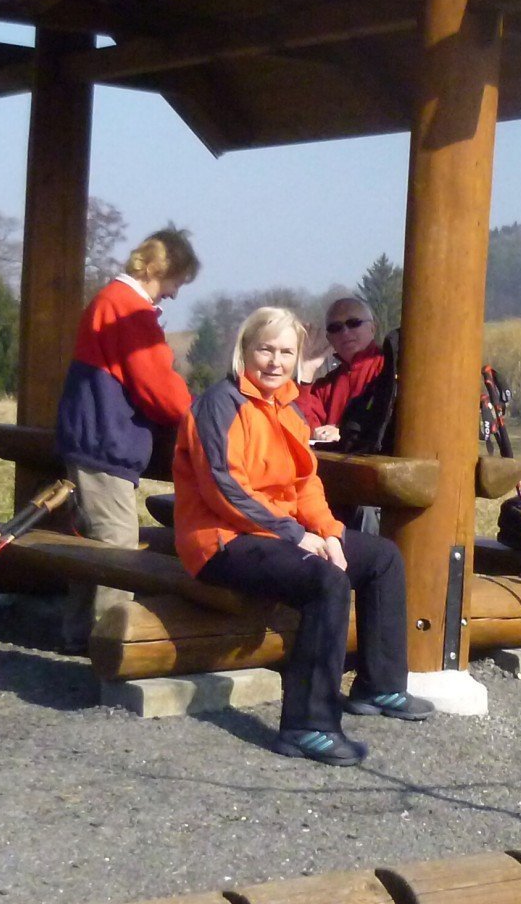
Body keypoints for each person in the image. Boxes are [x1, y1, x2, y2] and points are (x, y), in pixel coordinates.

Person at [172, 306, 431, 764]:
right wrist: (295, 536)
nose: (274, 361)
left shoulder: (287, 408)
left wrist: (329, 532)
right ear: (244, 351)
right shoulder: (220, 404)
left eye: (285, 352)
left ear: (298, 358)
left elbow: (306, 482)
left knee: (382, 557)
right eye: (265, 349)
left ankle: (380, 685)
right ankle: (307, 724)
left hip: (277, 532)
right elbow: (223, 488)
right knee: (326, 582)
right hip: (222, 540)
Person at [55, 227, 199, 643]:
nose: (173, 293)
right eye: (176, 281)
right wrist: (201, 417)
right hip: (105, 444)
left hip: (88, 440)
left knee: (93, 548)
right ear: (160, 269)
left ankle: (80, 636)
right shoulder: (130, 310)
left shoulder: (108, 301)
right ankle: (111, 646)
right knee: (116, 549)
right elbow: (159, 388)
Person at [295, 297, 383, 444]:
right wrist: (306, 370)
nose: (345, 332)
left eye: (353, 323)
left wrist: (344, 432)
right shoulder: (326, 386)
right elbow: (299, 425)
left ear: (372, 328)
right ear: (329, 338)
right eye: (335, 328)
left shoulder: (390, 369)